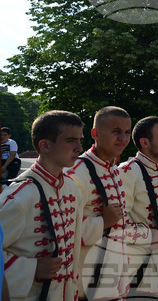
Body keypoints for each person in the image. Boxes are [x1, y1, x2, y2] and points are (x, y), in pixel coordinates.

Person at [0, 111, 87, 300]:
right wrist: (31, 268)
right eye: (71, 140)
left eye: (80, 140)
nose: (79, 147)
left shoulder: (72, 189)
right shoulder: (19, 197)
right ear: (45, 145)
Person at [65, 106, 132, 300]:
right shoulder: (76, 172)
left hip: (112, 276)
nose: (123, 138)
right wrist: (103, 222)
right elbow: (64, 232)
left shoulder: (113, 169)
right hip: (87, 281)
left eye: (127, 132)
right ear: (95, 133)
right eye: (116, 132)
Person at [120, 116, 158, 299]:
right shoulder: (128, 171)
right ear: (145, 142)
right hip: (135, 266)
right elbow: (117, 225)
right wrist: (150, 236)